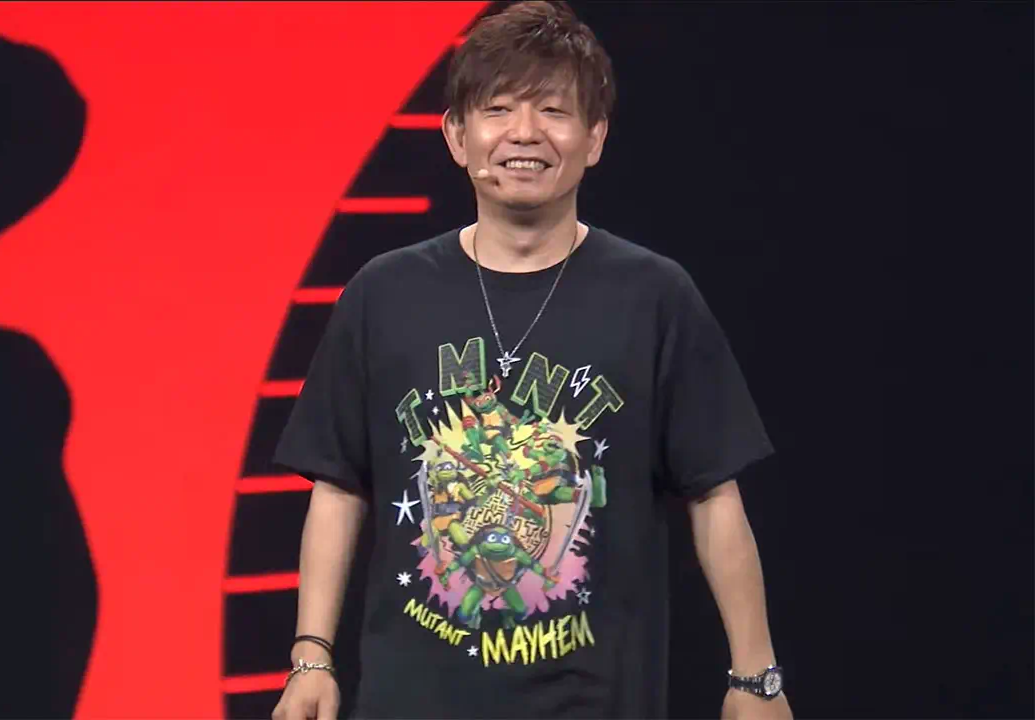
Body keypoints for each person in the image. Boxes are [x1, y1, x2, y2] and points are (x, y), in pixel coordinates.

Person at [271, 2, 792, 718]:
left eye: (553, 110)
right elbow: (338, 488)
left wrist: (755, 678)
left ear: (594, 137)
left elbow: (714, 498)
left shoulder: (654, 297)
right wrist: (311, 657)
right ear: (457, 136)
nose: (524, 133)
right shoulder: (382, 294)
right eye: (498, 109)